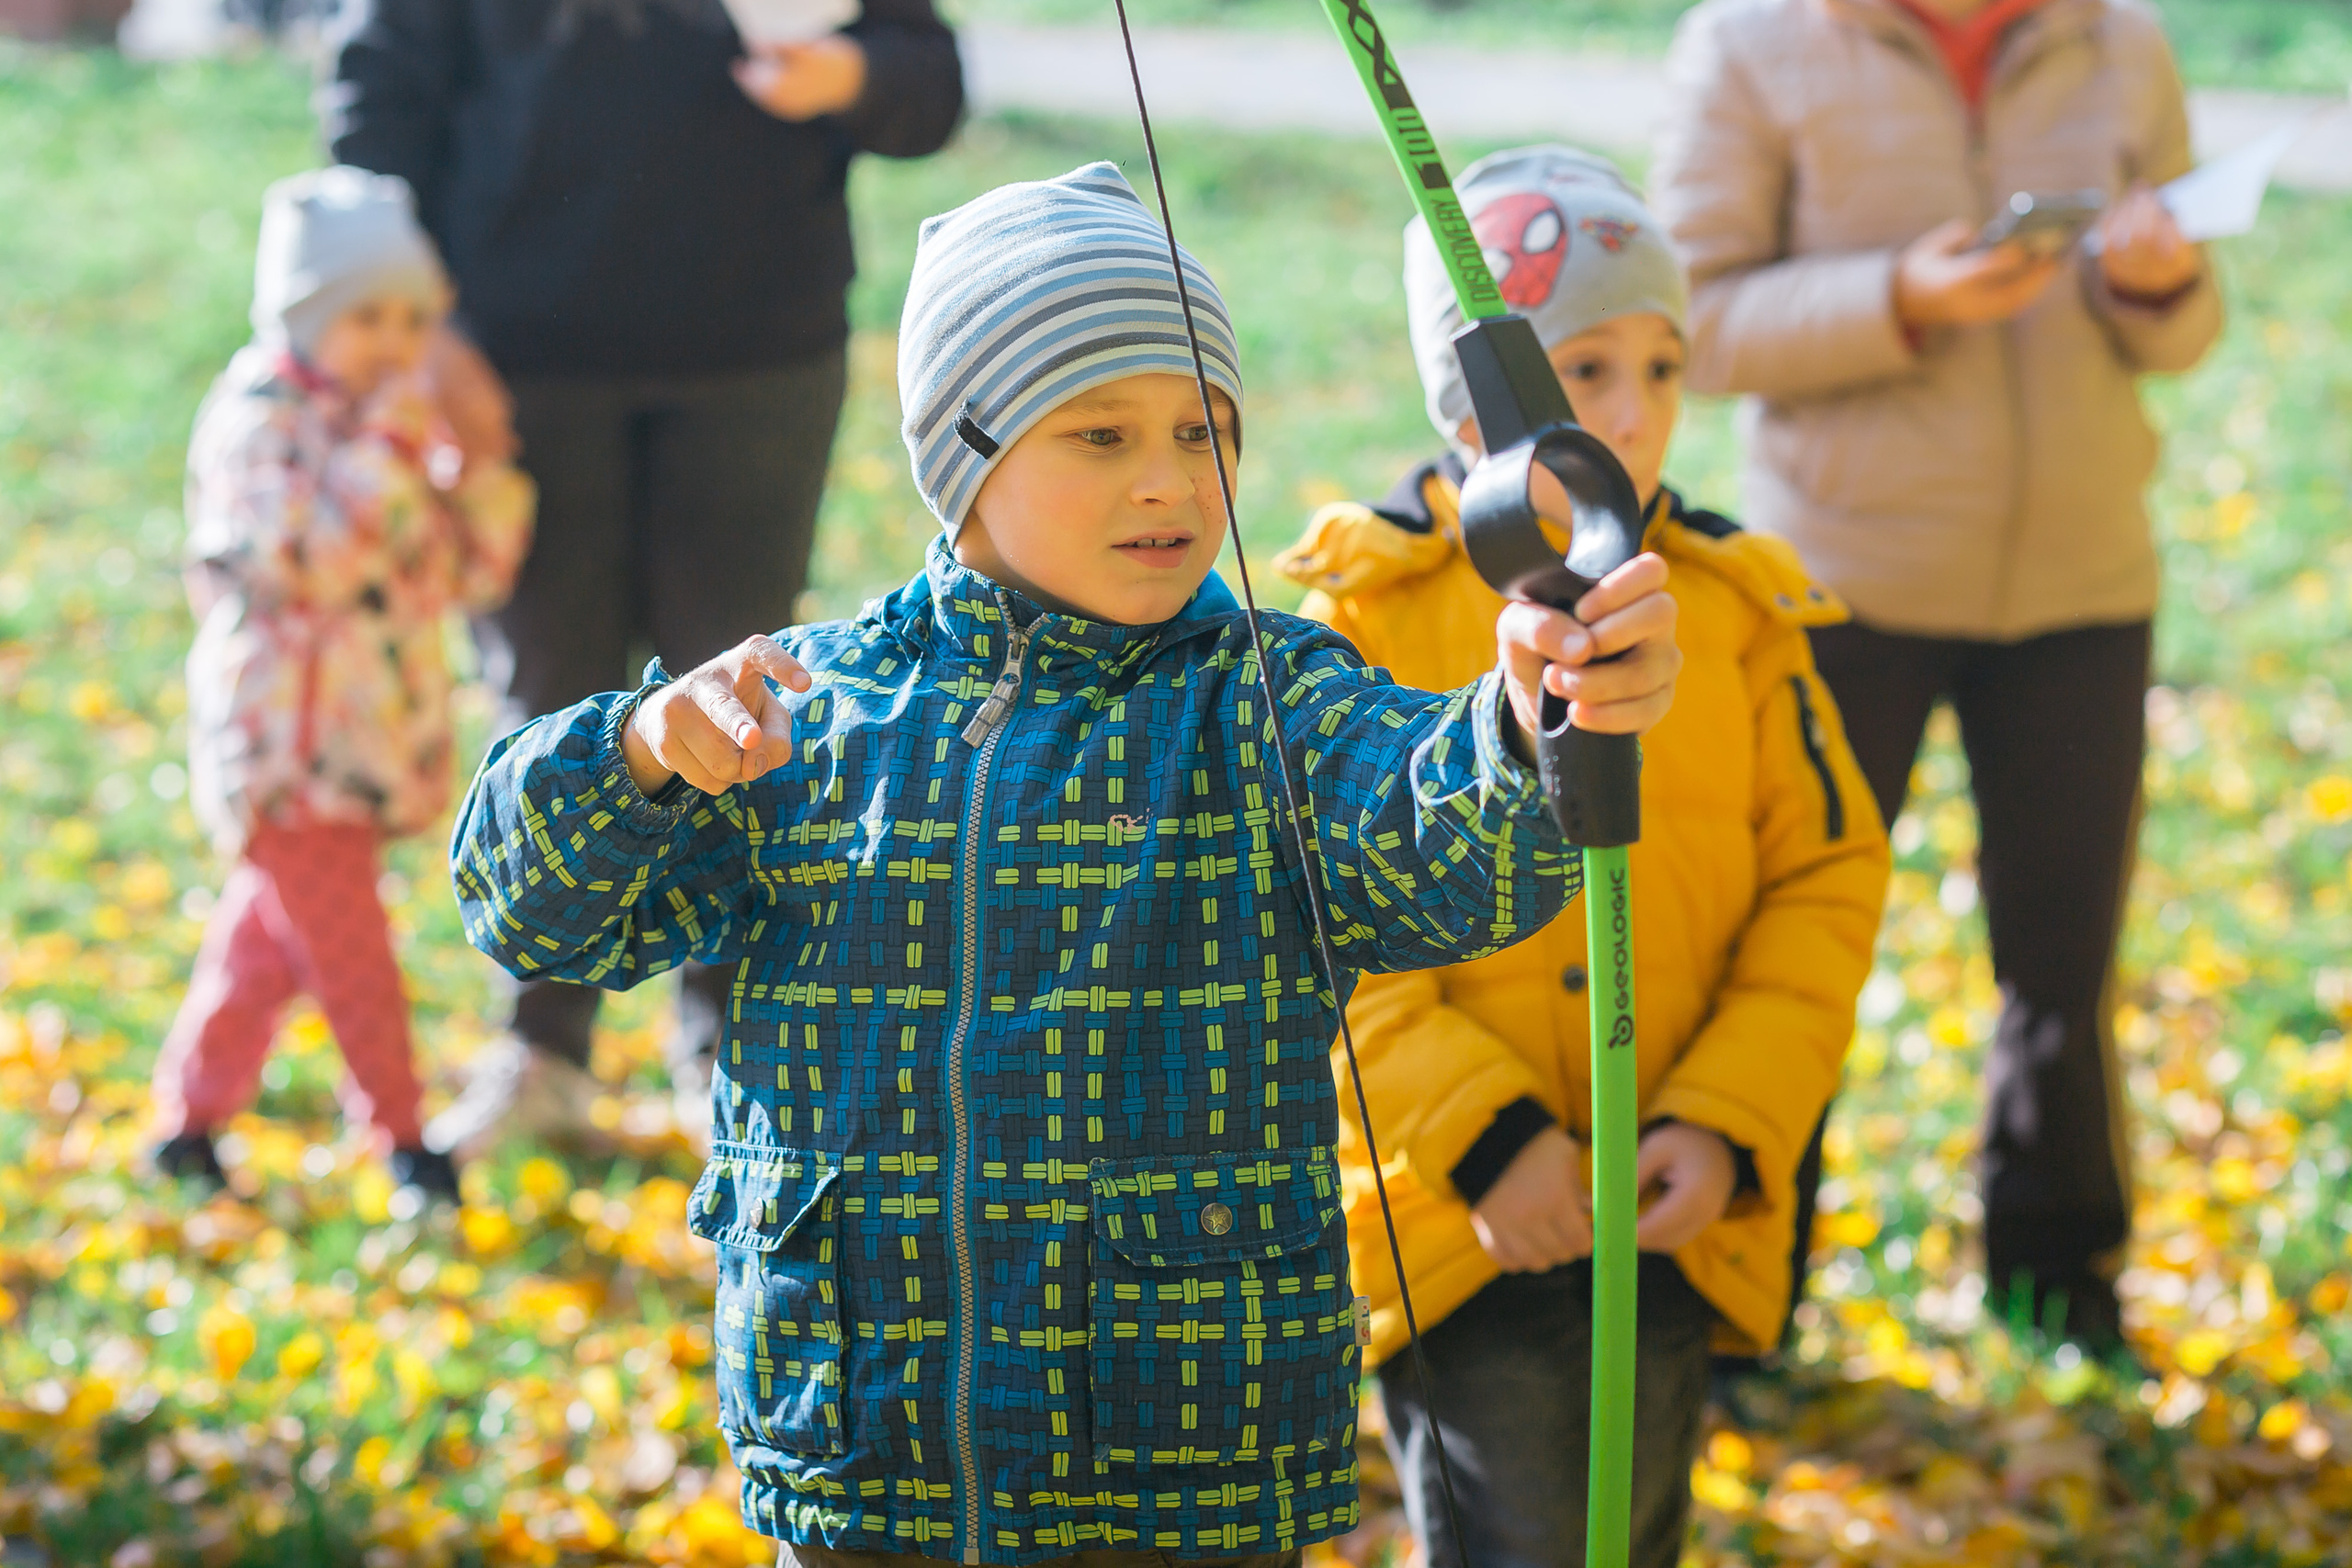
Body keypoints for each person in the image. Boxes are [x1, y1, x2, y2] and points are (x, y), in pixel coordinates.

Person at [447, 163, 1683, 1563]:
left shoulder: (1264, 702)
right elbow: (527, 909)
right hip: (863, 1463)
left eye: (1204, 430)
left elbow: (1436, 837)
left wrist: (1532, 721)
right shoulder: (812, 716)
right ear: (963, 450)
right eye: (1100, 434)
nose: (1170, 478)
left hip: (1178, 1478)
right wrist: (639, 754)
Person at [1275, 146, 1888, 1568]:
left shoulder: (1733, 611)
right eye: (1586, 370)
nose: (1638, 414)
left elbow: (1827, 876)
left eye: (1664, 368)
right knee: (1524, 1531)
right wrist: (1480, 1138)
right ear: (1473, 396)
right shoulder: (1364, 617)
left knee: (1626, 1518)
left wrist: (1726, 1116)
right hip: (1462, 1214)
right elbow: (1309, 917)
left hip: (1668, 1184)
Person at [1653, 0, 2221, 1349]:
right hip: (1849, 587)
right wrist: (1898, 295)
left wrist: (2158, 287)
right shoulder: (1746, 44)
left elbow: (2186, 331)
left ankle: (2057, 1279)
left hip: (2085, 581)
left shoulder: (2120, 43)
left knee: (2063, 959)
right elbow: (1694, 321)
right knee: (1782, 946)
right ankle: (1742, 1288)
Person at [322, 0, 966, 1156]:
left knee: (742, 704)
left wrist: (846, 76)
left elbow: (930, 81)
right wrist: (424, 330)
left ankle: (722, 1055)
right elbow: (377, 102)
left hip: (758, 352)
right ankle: (541, 1044)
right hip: (518, 355)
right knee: (548, 689)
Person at [150, 167, 535, 1204]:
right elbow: (307, 557)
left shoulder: (384, 424)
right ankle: (408, 1142)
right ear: (305, 314)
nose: (396, 344)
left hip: (370, 734)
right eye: (367, 317)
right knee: (351, 949)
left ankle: (186, 1125)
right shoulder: (260, 417)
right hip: (288, 737)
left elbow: (459, 575)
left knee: (268, 944)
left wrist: (484, 474)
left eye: (414, 319)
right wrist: (393, 441)